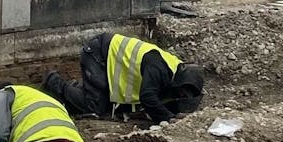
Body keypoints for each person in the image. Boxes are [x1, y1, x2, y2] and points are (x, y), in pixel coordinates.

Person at [42, 33, 204, 124]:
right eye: (182, 93)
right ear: (181, 82)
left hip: (105, 56)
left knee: (103, 106)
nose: (181, 96)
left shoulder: (171, 69)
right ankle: (54, 82)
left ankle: (81, 88)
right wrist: (168, 119)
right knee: (94, 108)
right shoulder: (158, 69)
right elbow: (147, 97)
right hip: (97, 54)